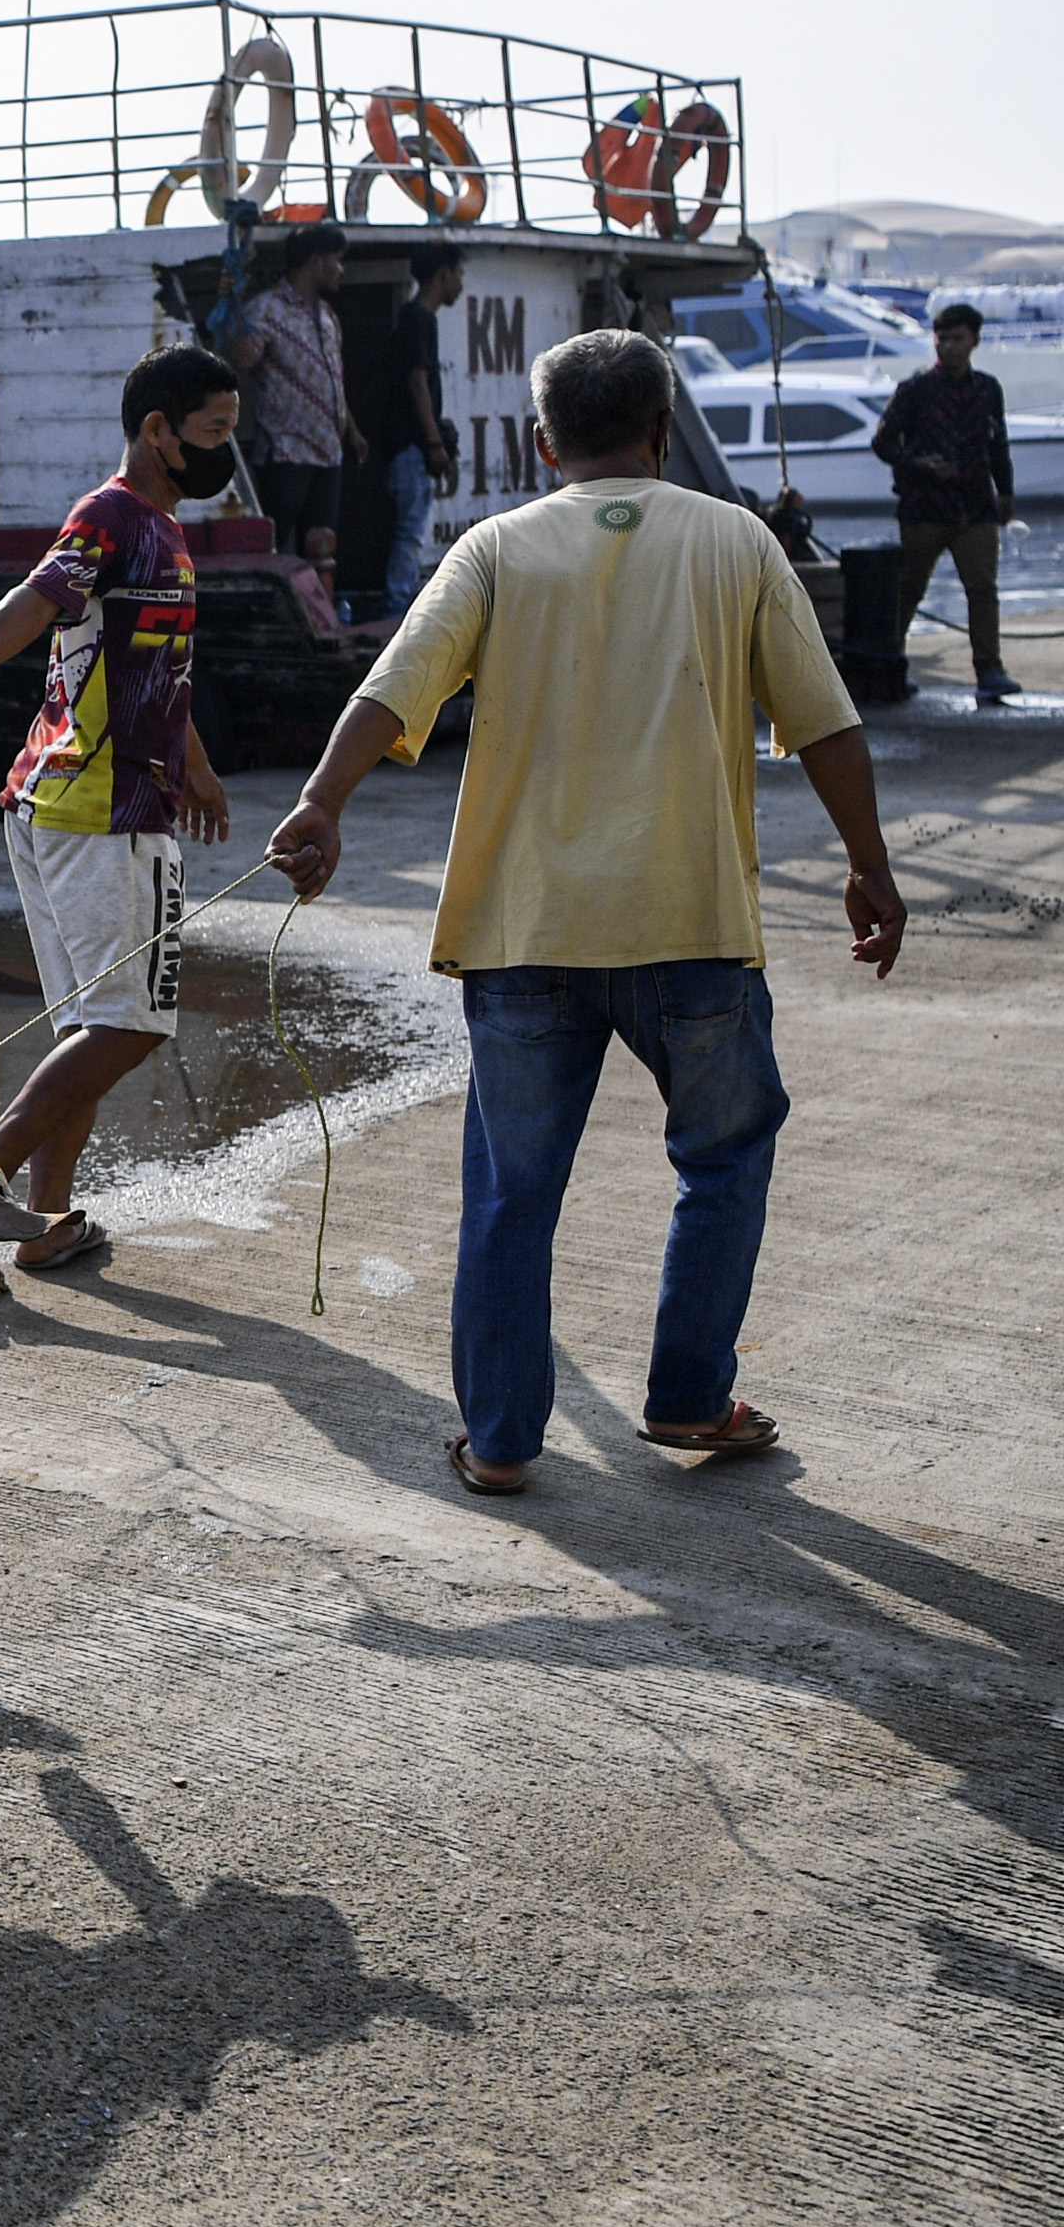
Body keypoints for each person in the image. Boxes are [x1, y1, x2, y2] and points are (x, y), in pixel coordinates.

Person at [266, 329, 904, 1498]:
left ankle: (502, 1444)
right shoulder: (735, 542)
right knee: (722, 1163)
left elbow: (390, 689)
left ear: (545, 441)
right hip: (695, 926)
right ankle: (690, 1398)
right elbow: (827, 726)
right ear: (661, 431)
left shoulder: (496, 550)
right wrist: (869, 868)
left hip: (525, 934)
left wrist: (319, 804)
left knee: (511, 1195)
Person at [0, 341, 239, 1274]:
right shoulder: (113, 516)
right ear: (157, 431)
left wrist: (196, 766)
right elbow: (30, 603)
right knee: (128, 1025)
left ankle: (42, 1225)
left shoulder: (160, 532)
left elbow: (155, 673)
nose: (223, 452)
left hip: (77, 805)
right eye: (211, 433)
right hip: (100, 812)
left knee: (89, 1029)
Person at [870, 302, 1021, 703]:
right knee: (909, 589)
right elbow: (882, 443)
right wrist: (918, 463)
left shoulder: (987, 389)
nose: (949, 347)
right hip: (924, 509)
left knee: (983, 590)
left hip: (975, 507)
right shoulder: (915, 389)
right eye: (942, 339)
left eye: (957, 339)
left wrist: (1005, 493)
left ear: (974, 341)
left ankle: (990, 670)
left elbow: (998, 444)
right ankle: (891, 666)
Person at [227, 227, 364, 602]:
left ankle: (322, 613)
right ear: (316, 262)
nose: (341, 270)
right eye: (336, 261)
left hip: (328, 452)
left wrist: (350, 431)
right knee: (281, 545)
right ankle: (279, 613)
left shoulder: (326, 317)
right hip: (287, 453)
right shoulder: (266, 309)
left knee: (322, 545)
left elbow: (332, 379)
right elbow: (240, 360)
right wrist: (234, 311)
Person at [368, 242, 467, 620]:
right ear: (443, 274)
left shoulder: (416, 319)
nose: (460, 283)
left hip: (405, 444)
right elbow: (417, 380)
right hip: (410, 446)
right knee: (410, 528)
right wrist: (432, 441)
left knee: (408, 527)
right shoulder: (418, 319)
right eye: (458, 274)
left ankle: (399, 601)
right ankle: (397, 606)